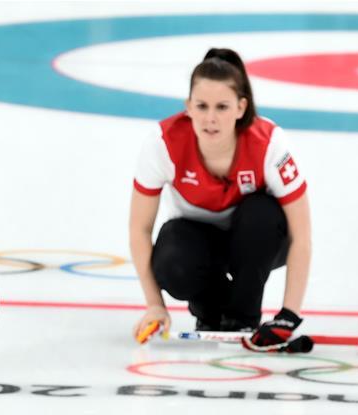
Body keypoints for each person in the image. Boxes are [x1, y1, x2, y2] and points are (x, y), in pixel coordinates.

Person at [129, 48, 312, 347]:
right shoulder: (162, 144)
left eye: (222, 107)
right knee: (172, 254)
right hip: (200, 246)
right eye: (202, 106)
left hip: (262, 244)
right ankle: (211, 311)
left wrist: (289, 314)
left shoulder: (270, 144)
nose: (210, 118)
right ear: (188, 107)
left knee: (260, 214)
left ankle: (243, 316)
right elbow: (139, 229)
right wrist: (154, 305)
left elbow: (302, 236)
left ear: (241, 108)